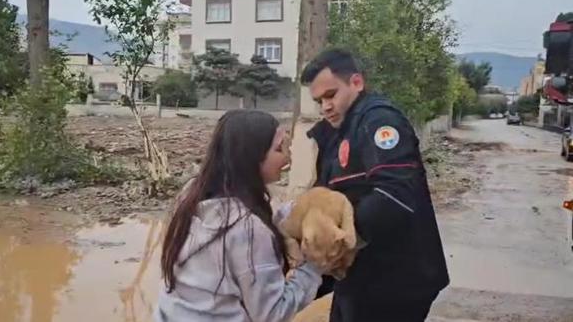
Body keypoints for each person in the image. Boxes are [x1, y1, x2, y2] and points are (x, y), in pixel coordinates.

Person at [301, 49, 449, 321]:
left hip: (395, 279)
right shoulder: (338, 133)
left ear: (356, 83)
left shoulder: (379, 121)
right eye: (319, 101)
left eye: (331, 95)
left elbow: (395, 194)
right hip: (360, 275)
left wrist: (340, 239)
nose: (325, 107)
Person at [156, 110, 323, 322]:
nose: (287, 157)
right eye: (279, 148)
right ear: (252, 155)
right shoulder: (247, 228)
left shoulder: (191, 195)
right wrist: (315, 265)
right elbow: (273, 313)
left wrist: (294, 213)